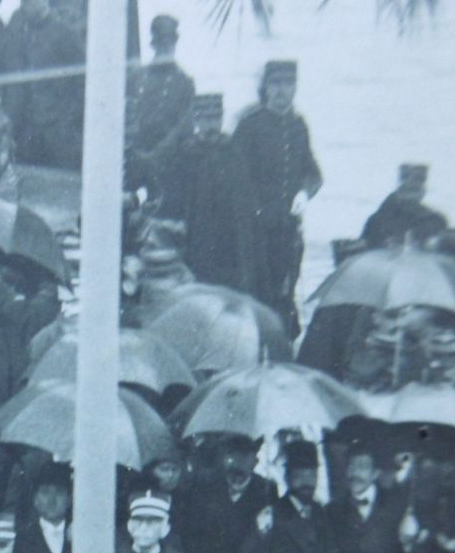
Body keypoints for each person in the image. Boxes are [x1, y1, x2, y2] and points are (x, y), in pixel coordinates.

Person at [229, 60, 322, 337]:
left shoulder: (298, 127)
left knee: (287, 293)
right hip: (256, 232)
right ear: (265, 88)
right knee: (258, 296)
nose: (283, 91)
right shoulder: (249, 127)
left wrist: (305, 193)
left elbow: (313, 173)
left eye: (289, 84)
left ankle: (283, 350)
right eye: (276, 84)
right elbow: (235, 179)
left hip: (288, 229)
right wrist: (255, 211)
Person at [160, 93, 241, 290]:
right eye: (205, 119)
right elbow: (174, 195)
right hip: (197, 232)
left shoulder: (231, 151)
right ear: (196, 120)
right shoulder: (186, 154)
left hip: (227, 233)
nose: (211, 125)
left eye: (215, 118)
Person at [0, 0, 84, 170]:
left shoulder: (65, 34)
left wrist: (68, 117)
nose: (25, 6)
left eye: (30, 2)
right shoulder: (16, 28)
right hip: (25, 131)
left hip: (58, 132)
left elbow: (82, 84)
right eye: (23, 2)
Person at [126, 15, 194, 192]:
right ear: (153, 44)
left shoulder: (184, 82)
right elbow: (126, 113)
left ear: (175, 44)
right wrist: (134, 149)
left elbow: (184, 126)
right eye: (160, 43)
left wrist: (157, 154)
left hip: (166, 161)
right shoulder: (137, 77)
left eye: (169, 43)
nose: (165, 48)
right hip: (134, 156)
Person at [361, 164, 449, 250]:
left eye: (414, 189)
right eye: (407, 189)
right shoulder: (378, 220)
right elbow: (363, 251)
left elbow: (448, 255)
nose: (410, 196)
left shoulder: (435, 220)